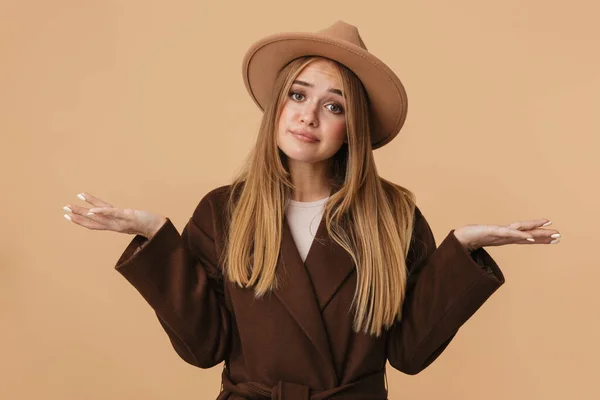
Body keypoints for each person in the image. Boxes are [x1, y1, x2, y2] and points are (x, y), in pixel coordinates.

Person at [63, 21, 561, 399]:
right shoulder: (224, 211)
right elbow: (204, 348)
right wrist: (157, 241)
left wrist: (463, 251)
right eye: (298, 95)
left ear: (354, 128)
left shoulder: (393, 216)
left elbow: (409, 355)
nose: (308, 114)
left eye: (334, 105)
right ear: (278, 106)